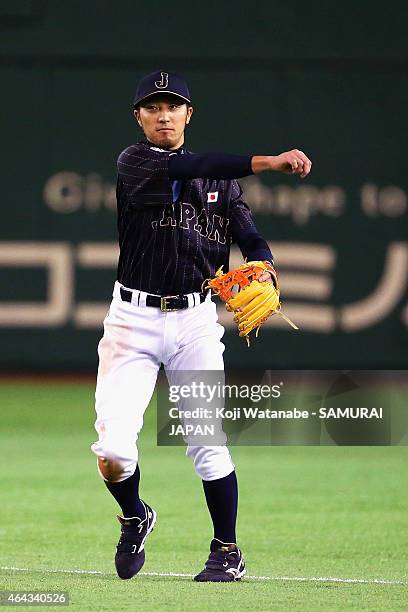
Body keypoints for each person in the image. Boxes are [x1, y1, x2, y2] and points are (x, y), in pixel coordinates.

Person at [91, 70, 312, 582]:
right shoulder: (135, 162)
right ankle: (134, 516)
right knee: (114, 451)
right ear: (138, 117)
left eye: (173, 106)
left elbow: (250, 237)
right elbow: (197, 164)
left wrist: (266, 265)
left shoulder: (223, 185)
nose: (163, 114)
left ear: (189, 114)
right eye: (152, 106)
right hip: (132, 320)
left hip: (194, 321)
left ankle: (227, 552)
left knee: (206, 438)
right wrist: (270, 161)